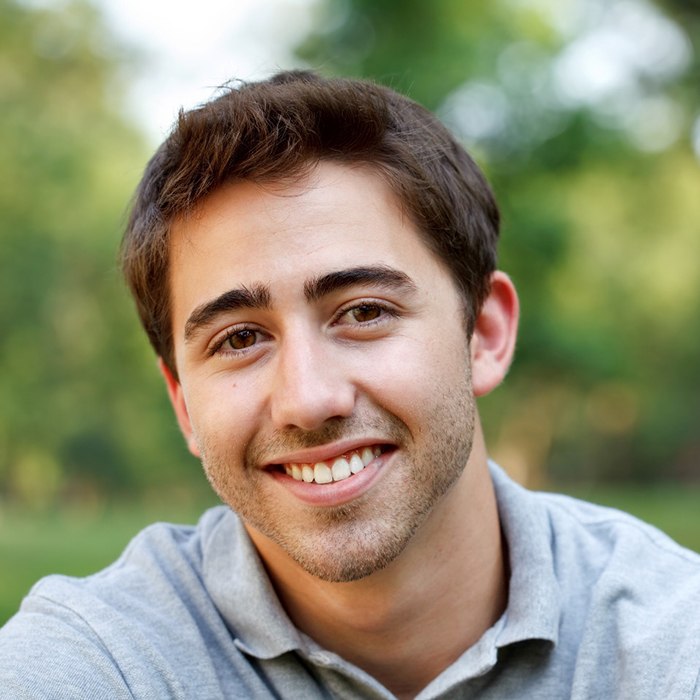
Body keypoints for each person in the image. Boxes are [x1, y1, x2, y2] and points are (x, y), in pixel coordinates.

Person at [1, 70, 699, 699]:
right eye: (239, 338)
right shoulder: (101, 661)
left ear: (483, 333)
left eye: (364, 312)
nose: (308, 400)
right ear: (183, 404)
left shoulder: (670, 642)